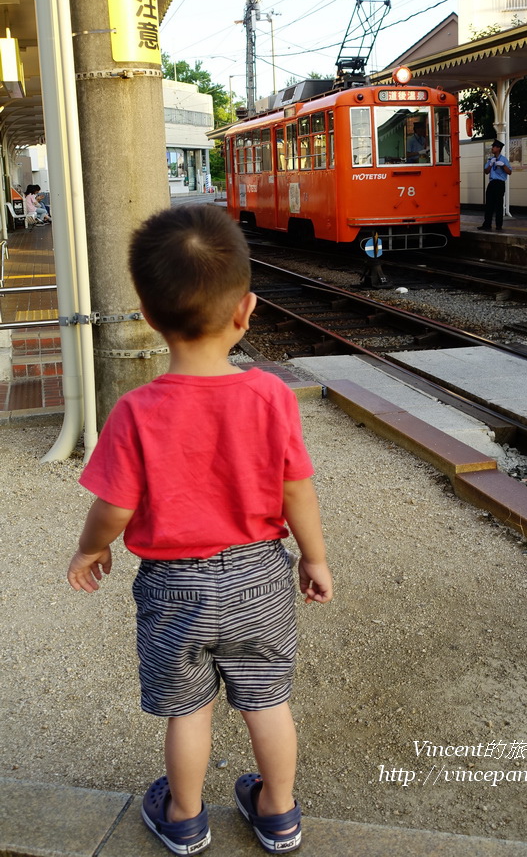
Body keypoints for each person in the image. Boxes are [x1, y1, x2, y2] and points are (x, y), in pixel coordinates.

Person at [66, 204, 333, 857]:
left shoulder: (136, 412)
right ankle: (278, 813)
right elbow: (297, 487)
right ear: (245, 310)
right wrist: (314, 558)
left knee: (190, 709)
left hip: (174, 587)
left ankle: (184, 817)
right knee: (267, 699)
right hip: (260, 575)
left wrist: (91, 547)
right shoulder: (271, 396)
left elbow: (115, 507)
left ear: (149, 315)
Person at [478, 140, 512, 231]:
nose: (492, 148)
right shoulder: (490, 159)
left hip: (500, 183)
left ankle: (499, 225)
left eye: (494, 147)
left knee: (499, 205)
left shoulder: (504, 159)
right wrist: (491, 164)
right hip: (492, 183)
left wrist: (503, 165)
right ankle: (487, 224)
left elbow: (509, 172)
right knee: (489, 204)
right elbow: (486, 171)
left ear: (498, 148)